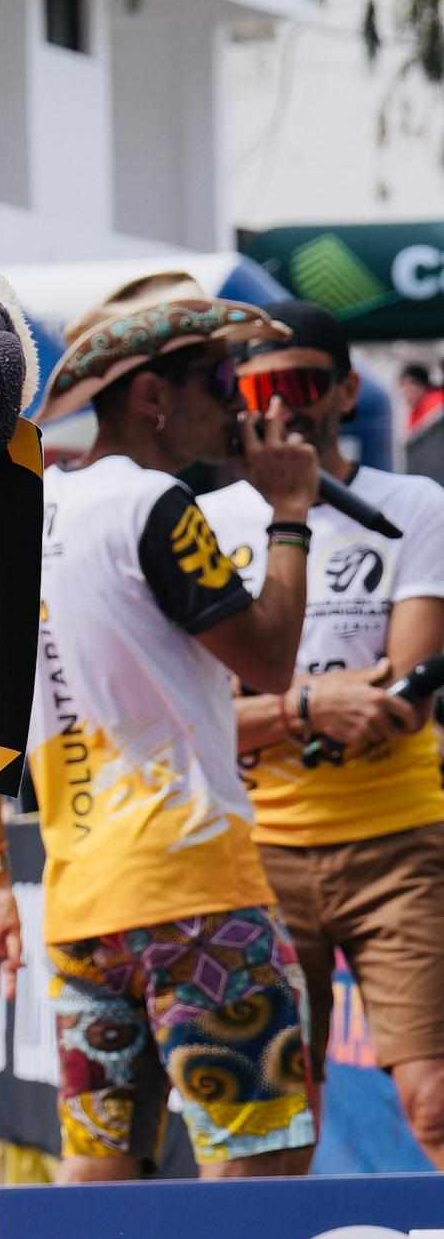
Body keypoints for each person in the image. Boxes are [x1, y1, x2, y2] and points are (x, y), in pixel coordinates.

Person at [0, 297, 320, 1179]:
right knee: (264, 1158)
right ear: (154, 396)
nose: (239, 406)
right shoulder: (153, 503)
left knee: (101, 1169)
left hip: (83, 906)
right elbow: (269, 659)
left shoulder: (24, 513)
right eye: (219, 384)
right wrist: (290, 513)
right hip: (195, 888)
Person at [204, 302, 444, 1157]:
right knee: (277, 1119)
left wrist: (270, 705)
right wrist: (316, 704)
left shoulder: (413, 504)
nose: (284, 408)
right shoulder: (212, 523)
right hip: (259, 850)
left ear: (346, 390)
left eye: (304, 384)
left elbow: (399, 703)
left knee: (434, 1101)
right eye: (261, 388)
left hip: (397, 845)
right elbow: (207, 723)